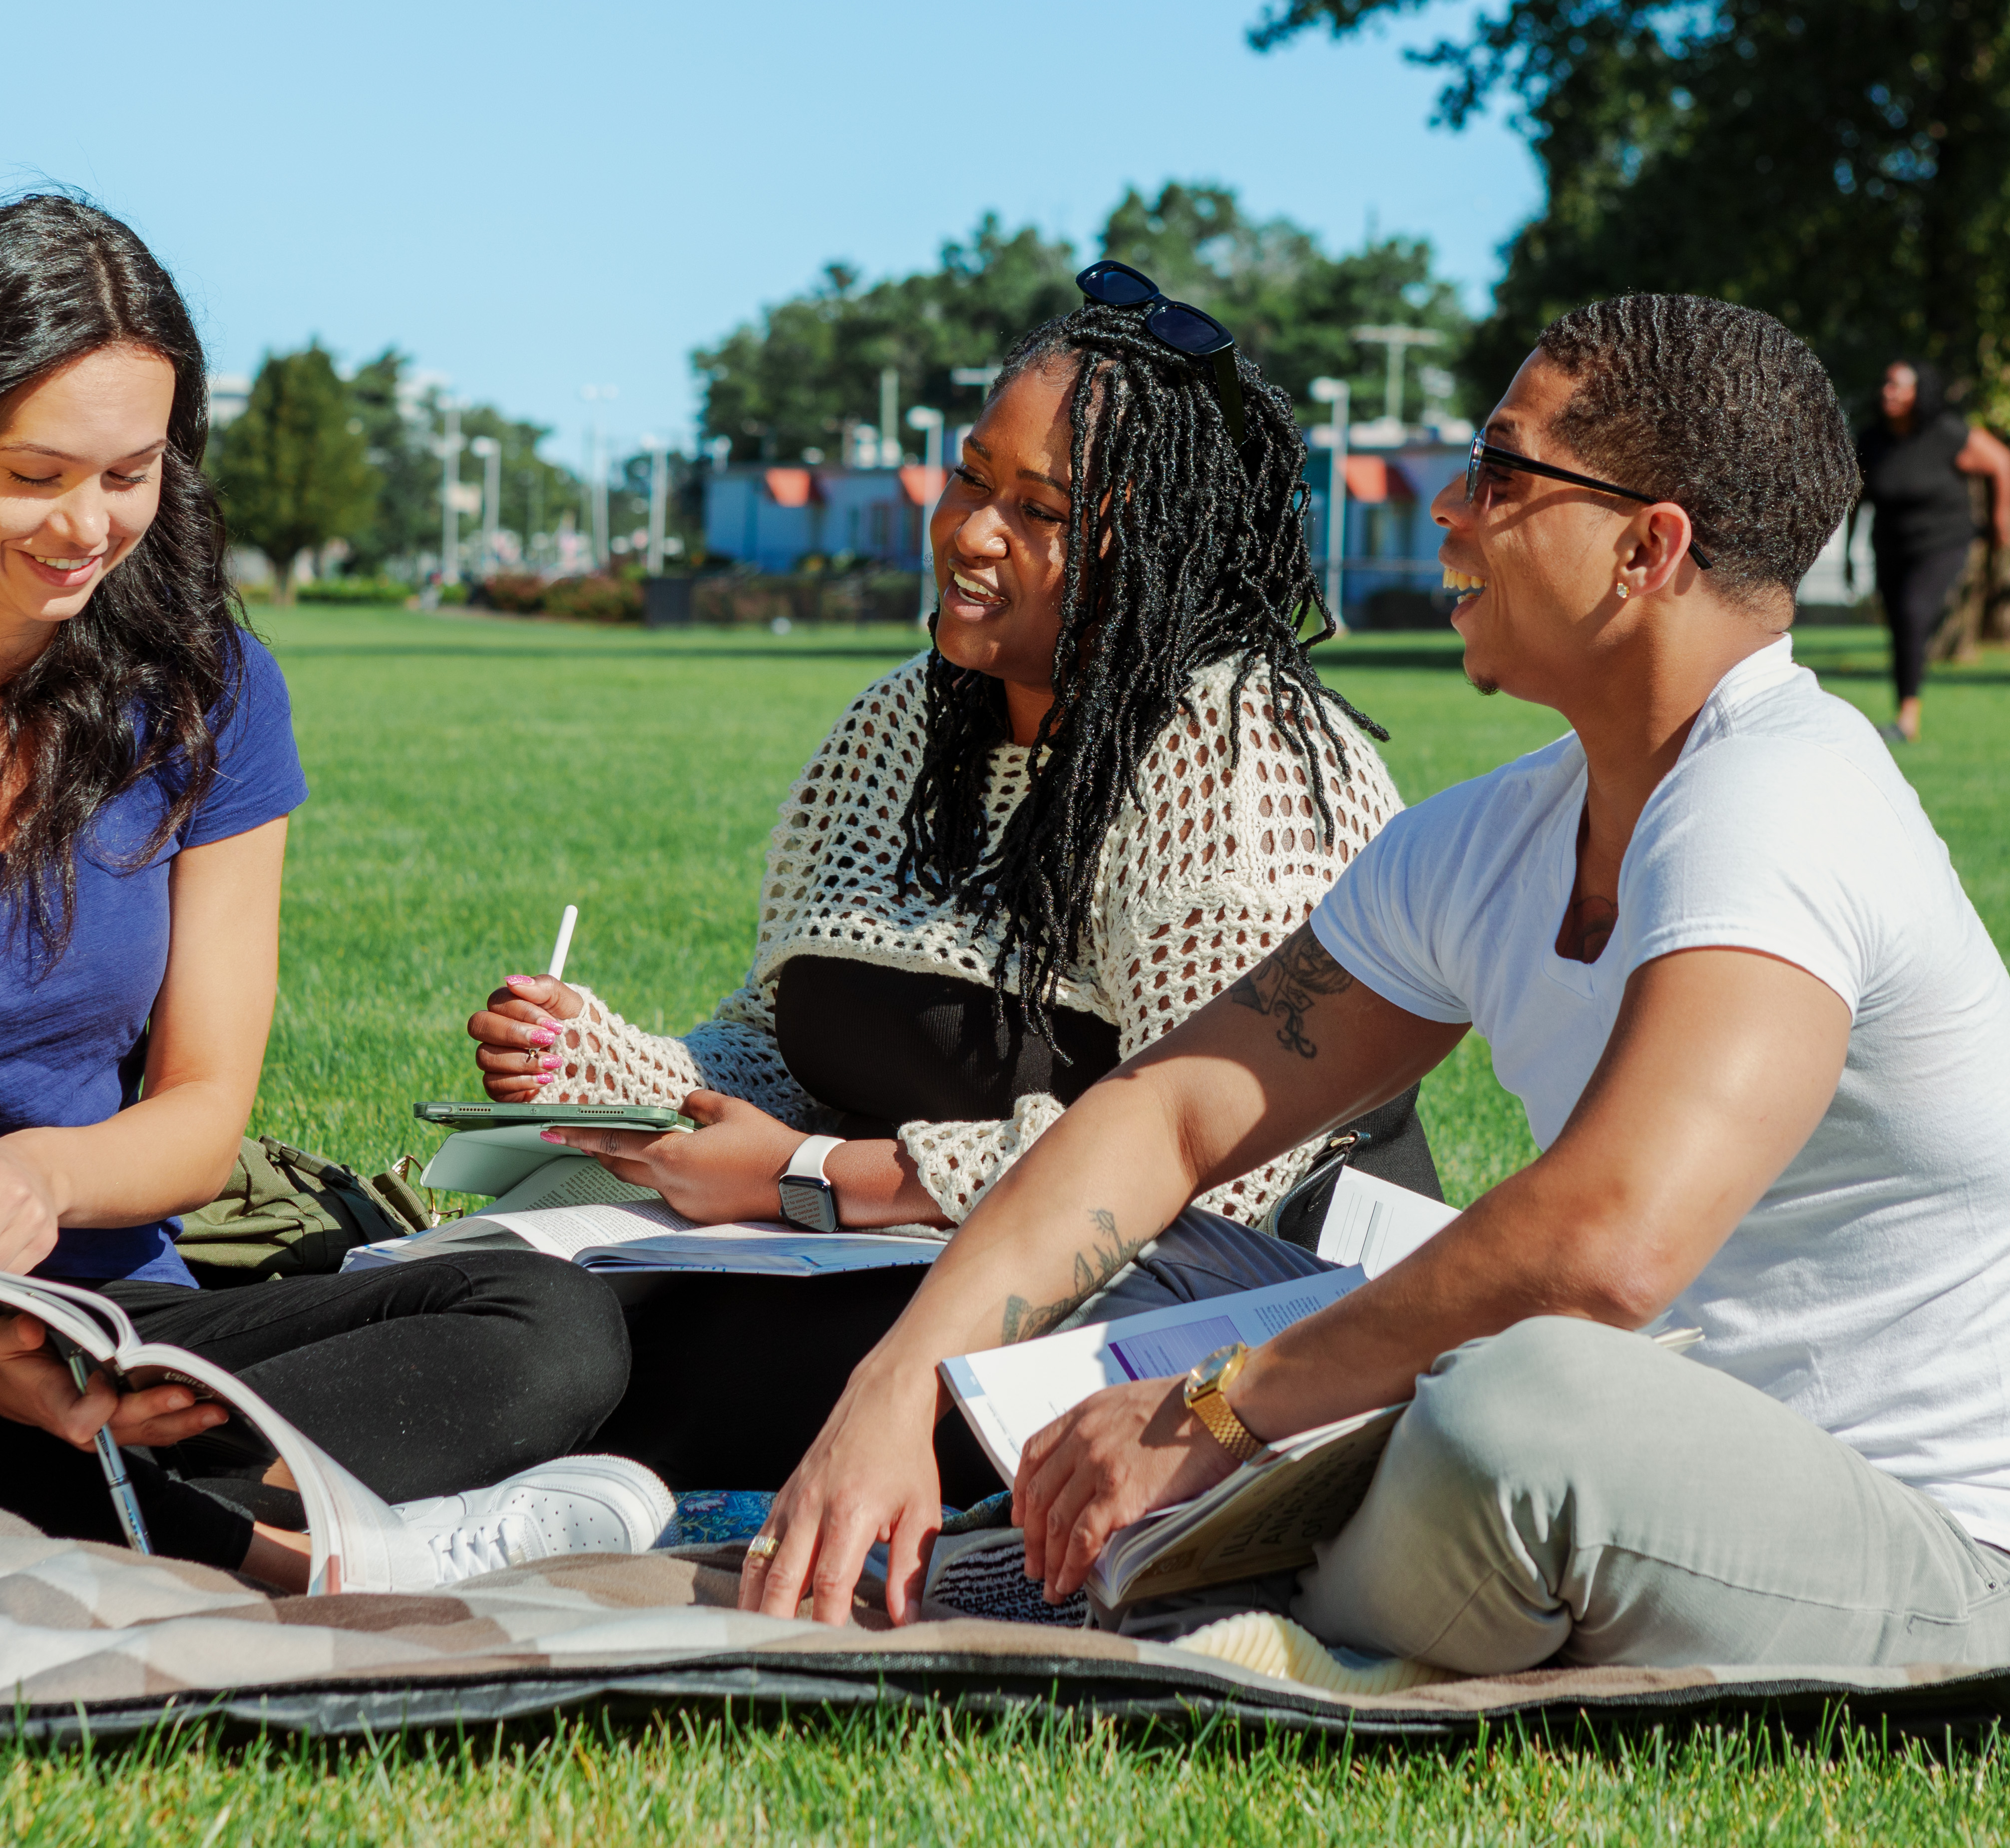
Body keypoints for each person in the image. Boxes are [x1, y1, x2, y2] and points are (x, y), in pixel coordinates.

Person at [746, 294, 2010, 1674]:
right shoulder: (1493, 838)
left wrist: (1215, 1415)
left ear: (1649, 548)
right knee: (1142, 1271)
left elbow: (1607, 1244)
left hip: (1951, 1563)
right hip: (1619, 1466)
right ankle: (1087, 1555)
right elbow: (1168, 1117)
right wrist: (894, 1390)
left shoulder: (1785, 798)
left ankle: (1156, 1588)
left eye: (1503, 473)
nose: (1452, 509)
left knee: (1514, 1410)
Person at [0, 195, 666, 1593]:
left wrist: (39, 1179)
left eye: (129, 473)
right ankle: (288, 1544)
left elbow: (204, 1118)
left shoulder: (211, 697)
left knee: (552, 1323)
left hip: (129, 1318)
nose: (87, 525)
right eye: (37, 475)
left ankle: (50, 1493)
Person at [462, 264, 1424, 1494]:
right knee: (527, 1282)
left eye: (1042, 510)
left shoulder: (1238, 763)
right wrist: (624, 1075)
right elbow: (788, 1045)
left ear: (1160, 546)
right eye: (970, 477)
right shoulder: (894, 734)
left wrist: (811, 1182)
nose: (971, 532)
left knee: (605, 1364)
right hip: (854, 1257)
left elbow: (1218, 1163)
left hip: (1162, 1320)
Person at [1852, 360, 2010, 744]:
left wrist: (2001, 521)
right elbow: (1858, 500)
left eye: (1897, 386)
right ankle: (1904, 712)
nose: (1887, 392)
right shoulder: (1873, 441)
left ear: (1918, 393)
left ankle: (1908, 719)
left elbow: (2002, 462)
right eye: (1885, 384)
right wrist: (1849, 553)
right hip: (1891, 544)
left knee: (1912, 613)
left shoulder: (1946, 434)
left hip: (1942, 542)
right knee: (1899, 626)